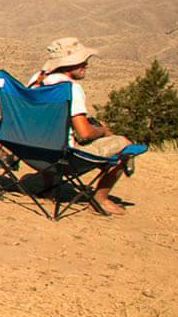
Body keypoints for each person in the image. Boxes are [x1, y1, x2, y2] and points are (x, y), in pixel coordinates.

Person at [28, 37, 137, 217]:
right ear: (69, 65)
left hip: (31, 150)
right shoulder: (70, 89)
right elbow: (84, 133)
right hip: (61, 156)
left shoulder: (37, 80)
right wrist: (103, 130)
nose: (86, 66)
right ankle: (99, 200)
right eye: (82, 63)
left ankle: (49, 190)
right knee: (124, 143)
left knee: (53, 135)